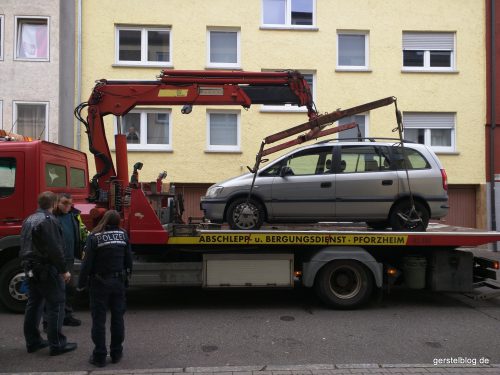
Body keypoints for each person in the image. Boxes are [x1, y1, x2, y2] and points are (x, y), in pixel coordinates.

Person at [20, 191, 77, 356]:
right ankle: (57, 344)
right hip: (46, 268)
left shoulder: (29, 219)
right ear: (54, 204)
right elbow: (55, 248)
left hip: (29, 267)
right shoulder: (49, 221)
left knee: (34, 303)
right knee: (57, 303)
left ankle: (33, 342)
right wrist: (64, 270)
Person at [78, 210, 133, 367]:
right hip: (118, 282)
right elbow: (129, 260)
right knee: (117, 319)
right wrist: (127, 278)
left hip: (99, 283)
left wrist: (81, 284)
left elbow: (87, 263)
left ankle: (99, 356)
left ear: (104, 219)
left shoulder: (94, 236)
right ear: (118, 221)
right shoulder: (123, 235)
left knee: (99, 320)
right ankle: (116, 353)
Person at [53, 193, 88, 326]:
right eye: (64, 203)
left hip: (69, 258)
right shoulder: (52, 217)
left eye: (69, 203)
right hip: (57, 259)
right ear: (57, 203)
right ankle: (52, 320)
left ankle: (67, 315)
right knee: (56, 290)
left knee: (70, 288)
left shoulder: (74, 215)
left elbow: (82, 231)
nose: (67, 206)